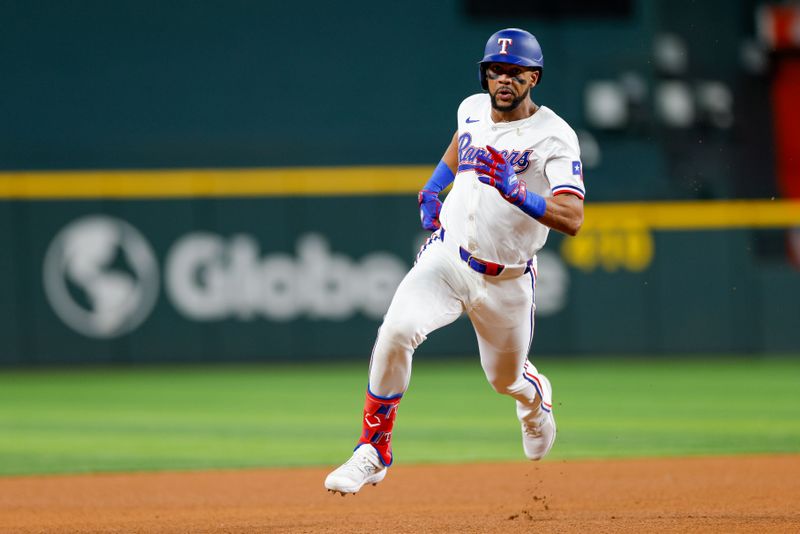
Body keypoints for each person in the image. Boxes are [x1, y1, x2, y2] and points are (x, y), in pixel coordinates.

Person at [324, 28, 585, 495]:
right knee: (396, 331)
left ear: (534, 77)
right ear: (485, 74)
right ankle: (374, 449)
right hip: (449, 258)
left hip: (508, 280)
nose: (503, 79)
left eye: (514, 72)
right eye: (495, 70)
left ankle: (534, 399)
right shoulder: (471, 107)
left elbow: (573, 217)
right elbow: (459, 143)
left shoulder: (555, 137)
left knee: (504, 379)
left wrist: (517, 190)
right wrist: (432, 185)